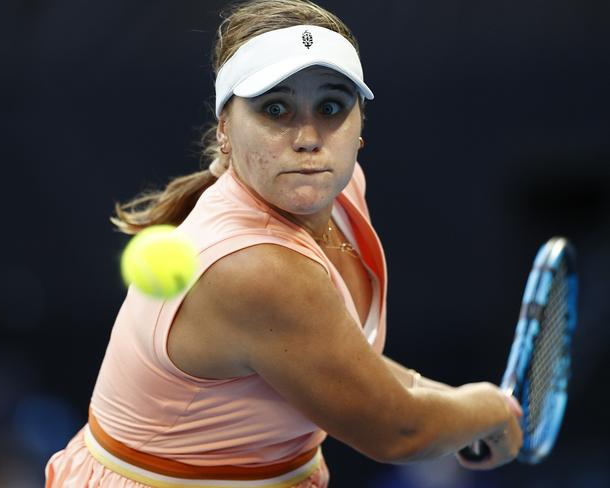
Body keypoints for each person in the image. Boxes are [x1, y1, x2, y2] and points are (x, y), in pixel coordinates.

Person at [45, 0, 523, 486]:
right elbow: (399, 431)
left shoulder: (341, 190)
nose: (309, 137)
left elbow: (353, 362)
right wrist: (484, 408)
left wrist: (457, 407)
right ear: (225, 130)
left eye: (331, 107)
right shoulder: (260, 269)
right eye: (276, 109)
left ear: (361, 128)